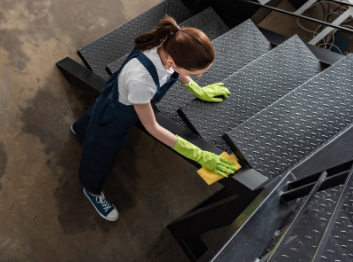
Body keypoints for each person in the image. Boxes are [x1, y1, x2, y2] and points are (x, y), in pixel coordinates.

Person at [72, 16, 238, 221]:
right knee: (101, 152)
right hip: (118, 113)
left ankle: (80, 129)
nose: (199, 77)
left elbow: (177, 72)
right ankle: (92, 189)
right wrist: (199, 155)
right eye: (196, 74)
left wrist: (198, 90)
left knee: (96, 113)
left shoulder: (172, 39)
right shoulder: (142, 81)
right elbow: (153, 127)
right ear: (172, 62)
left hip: (120, 91)